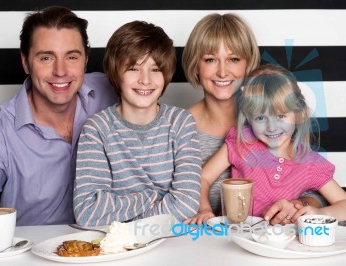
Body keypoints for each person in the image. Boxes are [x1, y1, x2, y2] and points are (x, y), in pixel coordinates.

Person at [0, 6, 117, 263]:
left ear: (85, 59)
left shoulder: (114, 91)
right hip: (36, 259)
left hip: (117, 251)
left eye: (72, 57)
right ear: (26, 62)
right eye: (46, 58)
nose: (61, 71)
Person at [181, 13, 324, 225]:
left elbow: (313, 182)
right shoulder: (178, 126)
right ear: (195, 64)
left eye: (233, 59)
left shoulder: (269, 117)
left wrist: (298, 205)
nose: (222, 71)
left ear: (248, 64)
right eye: (210, 59)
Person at [73, 21, 202, 226]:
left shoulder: (181, 122)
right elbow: (88, 213)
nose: (145, 80)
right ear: (116, 73)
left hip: (171, 245)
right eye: (133, 68)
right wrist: (153, 196)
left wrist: (123, 219)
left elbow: (186, 204)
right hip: (117, 249)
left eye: (156, 69)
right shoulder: (97, 129)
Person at [190, 64, 346, 225]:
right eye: (260, 118)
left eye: (280, 116)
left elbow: (343, 203)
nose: (271, 127)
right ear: (248, 118)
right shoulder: (243, 142)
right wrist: (204, 208)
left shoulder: (310, 162)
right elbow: (203, 177)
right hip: (235, 236)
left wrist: (320, 212)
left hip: (280, 242)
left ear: (298, 114)